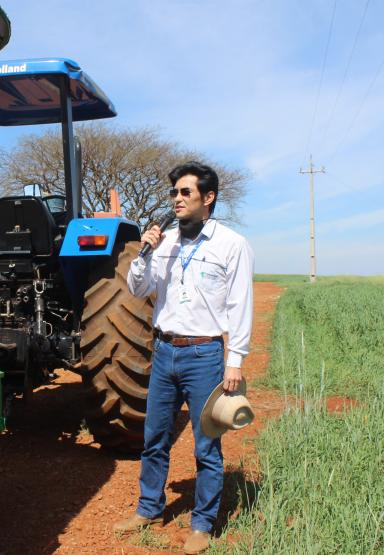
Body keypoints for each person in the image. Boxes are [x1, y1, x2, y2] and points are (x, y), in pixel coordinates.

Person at [114, 161, 254, 554]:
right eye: (174, 192)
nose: (176, 198)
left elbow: (241, 305)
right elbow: (138, 290)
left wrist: (235, 360)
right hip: (164, 351)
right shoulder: (166, 243)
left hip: (205, 354)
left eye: (185, 192)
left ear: (208, 198)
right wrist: (144, 253)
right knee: (154, 437)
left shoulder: (231, 244)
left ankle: (202, 523)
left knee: (206, 443)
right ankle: (149, 508)